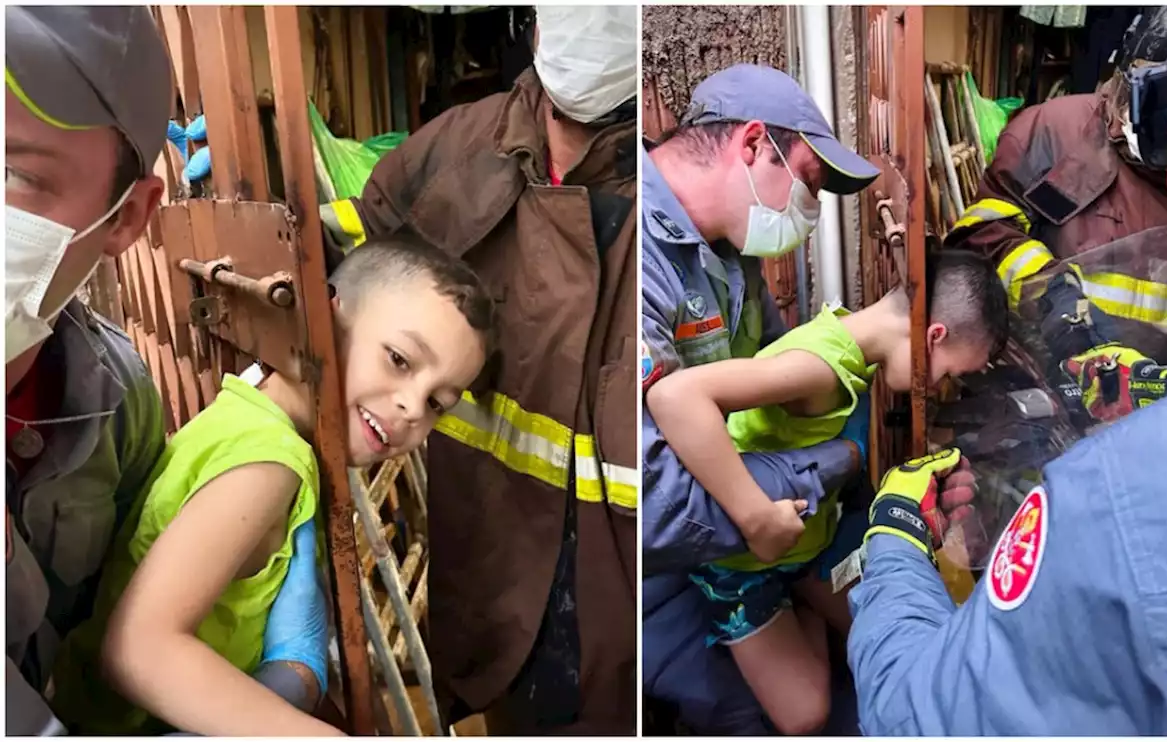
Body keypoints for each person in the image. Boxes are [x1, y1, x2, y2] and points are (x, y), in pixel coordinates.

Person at [847, 7, 1167, 734]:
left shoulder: (1116, 503)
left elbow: (930, 716)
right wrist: (1058, 307)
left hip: (1164, 417)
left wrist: (889, 543)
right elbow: (983, 224)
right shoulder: (1053, 132)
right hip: (1073, 390)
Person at [4, 6, 328, 736]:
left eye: (12, 170)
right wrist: (290, 688)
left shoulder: (111, 398)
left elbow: (114, 608)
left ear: (126, 217)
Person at [316, 6, 638, 734]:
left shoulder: (655, 186)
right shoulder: (463, 144)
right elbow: (354, 264)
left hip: (605, 570)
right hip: (484, 531)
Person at [47, 237, 493, 736]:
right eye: (399, 359)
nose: (413, 406)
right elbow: (136, 650)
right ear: (326, 322)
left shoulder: (249, 406)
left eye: (438, 402)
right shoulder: (268, 462)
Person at [647, 249, 1007, 734]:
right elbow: (674, 396)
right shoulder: (820, 368)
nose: (939, 387)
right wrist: (756, 518)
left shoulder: (849, 338)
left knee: (886, 632)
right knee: (806, 715)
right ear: (933, 336)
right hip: (747, 558)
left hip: (811, 537)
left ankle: (799, 594)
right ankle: (780, 600)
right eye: (949, 373)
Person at [640, 63, 883, 734]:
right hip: (655, 563)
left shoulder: (731, 255)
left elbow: (770, 384)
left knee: (856, 639)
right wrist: (828, 467)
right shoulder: (643, 259)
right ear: (751, 145)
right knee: (780, 712)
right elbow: (657, 500)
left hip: (752, 529)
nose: (808, 210)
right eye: (806, 182)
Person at [945, 9, 1167, 364]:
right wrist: (1056, 299)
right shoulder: (1051, 131)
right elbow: (981, 234)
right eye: (1141, 98)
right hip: (1055, 373)